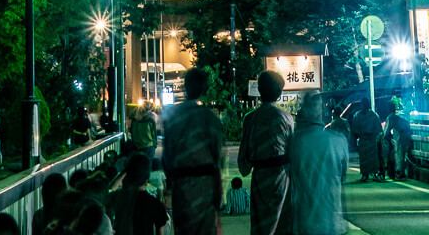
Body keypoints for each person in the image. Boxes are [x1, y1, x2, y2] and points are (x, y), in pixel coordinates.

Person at [163, 67, 225, 235]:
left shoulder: (173, 116)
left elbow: (167, 156)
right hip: (205, 186)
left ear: (185, 86)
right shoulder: (210, 118)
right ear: (204, 89)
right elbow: (218, 159)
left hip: (181, 186)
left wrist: (170, 184)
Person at [238, 69, 294, 235]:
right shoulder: (286, 118)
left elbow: (244, 160)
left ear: (260, 90)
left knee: (261, 226)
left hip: (260, 178)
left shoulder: (250, 119)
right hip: (282, 177)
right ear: (278, 92)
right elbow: (293, 152)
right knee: (282, 224)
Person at [287, 91, 349, 235]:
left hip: (303, 222)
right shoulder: (338, 141)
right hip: (332, 221)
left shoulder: (294, 143)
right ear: (321, 111)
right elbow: (342, 179)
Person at [109, 152, 169, 235]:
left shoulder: (119, 197)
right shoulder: (155, 203)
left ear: (128, 175)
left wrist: (126, 171)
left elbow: (110, 189)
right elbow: (160, 232)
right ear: (147, 177)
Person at [350, 100, 384, 183]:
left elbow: (378, 129)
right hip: (363, 139)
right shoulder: (358, 115)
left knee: (373, 158)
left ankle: (374, 173)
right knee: (364, 158)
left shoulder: (373, 115)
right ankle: (365, 174)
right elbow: (355, 129)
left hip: (371, 139)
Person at [384, 102, 412, 180]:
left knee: (399, 155)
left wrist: (385, 138)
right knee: (402, 154)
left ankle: (399, 173)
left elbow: (386, 131)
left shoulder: (390, 117)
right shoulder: (397, 115)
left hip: (401, 135)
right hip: (406, 133)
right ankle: (401, 172)